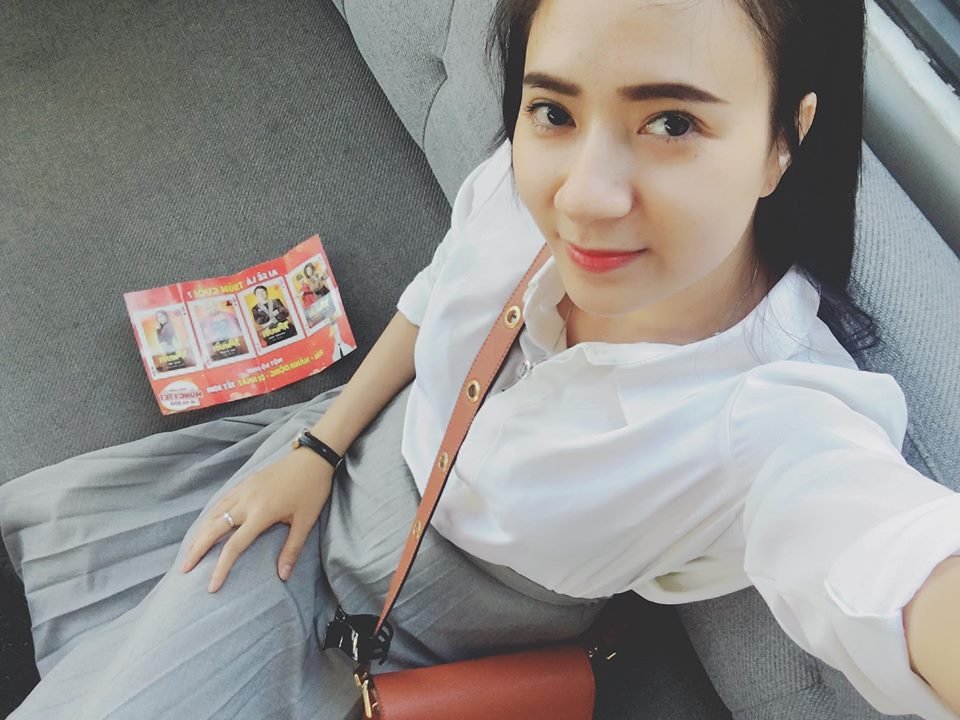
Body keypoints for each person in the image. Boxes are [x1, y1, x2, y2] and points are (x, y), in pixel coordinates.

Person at [1, 1, 959, 718]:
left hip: (412, 646)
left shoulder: (776, 416)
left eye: (672, 122)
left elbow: (886, 555)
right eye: (555, 110)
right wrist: (317, 448)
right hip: (329, 479)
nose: (582, 198)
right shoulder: (516, 180)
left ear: (784, 139)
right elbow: (437, 299)